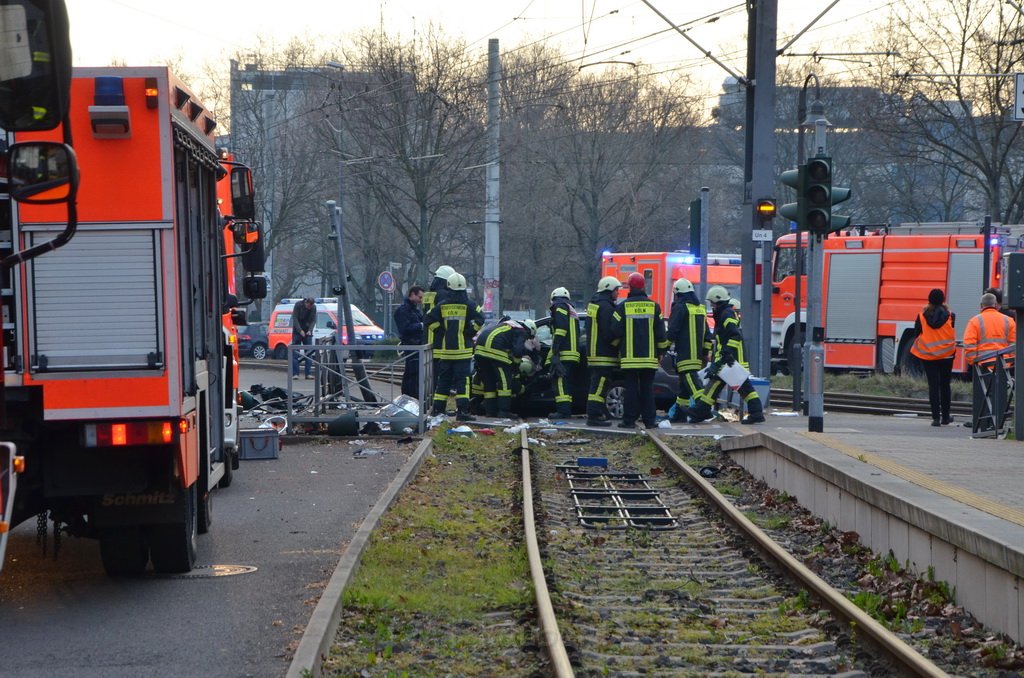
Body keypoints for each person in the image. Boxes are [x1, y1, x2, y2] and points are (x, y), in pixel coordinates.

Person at [685, 286, 765, 425]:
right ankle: (700, 411)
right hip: (728, 358)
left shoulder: (726, 314)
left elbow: (735, 335)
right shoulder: (725, 313)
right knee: (717, 384)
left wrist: (727, 353)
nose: (712, 306)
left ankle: (756, 413)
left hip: (730, 359)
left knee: (741, 387)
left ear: (718, 301)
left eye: (712, 303)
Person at [610, 272, 669, 429]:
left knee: (631, 389)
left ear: (629, 287)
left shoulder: (622, 307)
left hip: (629, 359)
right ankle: (649, 421)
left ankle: (629, 420)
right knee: (647, 389)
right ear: (643, 287)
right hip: (649, 358)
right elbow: (661, 334)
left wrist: (617, 346)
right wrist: (661, 352)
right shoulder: (654, 306)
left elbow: (614, 330)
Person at [424, 272, 484, 421]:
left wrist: (442, 331)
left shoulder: (442, 305)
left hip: (446, 352)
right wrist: (470, 332)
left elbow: (428, 319)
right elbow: (480, 319)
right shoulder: (470, 305)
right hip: (463, 352)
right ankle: (462, 412)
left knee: (443, 382)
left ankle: (438, 410)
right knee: (462, 383)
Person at [666, 278, 710, 423]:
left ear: (678, 294)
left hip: (685, 355)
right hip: (697, 356)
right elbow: (707, 335)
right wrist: (705, 353)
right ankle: (680, 413)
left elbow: (672, 331)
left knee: (693, 385)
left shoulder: (680, 308)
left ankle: (703, 410)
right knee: (684, 389)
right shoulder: (700, 308)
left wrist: (661, 349)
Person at [910, 288, 956, 426]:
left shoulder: (922, 315)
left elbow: (916, 332)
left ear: (929, 299)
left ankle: (935, 418)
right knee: (945, 385)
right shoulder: (951, 315)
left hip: (928, 355)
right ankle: (946, 417)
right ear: (943, 300)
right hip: (947, 355)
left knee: (933, 385)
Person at [474, 318, 536, 418]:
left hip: (480, 349)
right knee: (505, 381)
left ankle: (490, 411)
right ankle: (504, 411)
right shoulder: (522, 331)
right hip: (495, 349)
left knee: (489, 382)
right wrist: (516, 364)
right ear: (530, 330)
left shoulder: (509, 325)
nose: (527, 339)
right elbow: (518, 351)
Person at [584, 276, 622, 426]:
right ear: (609, 289)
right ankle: (594, 415)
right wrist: (619, 343)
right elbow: (608, 333)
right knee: (599, 386)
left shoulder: (595, 304)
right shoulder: (606, 307)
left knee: (597, 384)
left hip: (595, 353)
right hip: (603, 354)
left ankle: (596, 414)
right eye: (616, 290)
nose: (618, 293)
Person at [548, 286, 581, 418]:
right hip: (573, 353)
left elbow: (560, 330)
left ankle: (563, 412)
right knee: (566, 383)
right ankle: (566, 410)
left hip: (564, 352)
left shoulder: (560, 306)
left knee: (559, 381)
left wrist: (555, 350)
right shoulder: (571, 309)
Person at [964, 292, 1016, 371]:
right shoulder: (1009, 320)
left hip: (982, 365)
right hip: (1004, 364)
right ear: (995, 304)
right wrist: (1010, 361)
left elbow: (969, 344)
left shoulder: (974, 321)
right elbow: (1014, 344)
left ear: (981, 305)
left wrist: (974, 362)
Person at [393, 286, 425, 398]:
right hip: (411, 344)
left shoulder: (413, 310)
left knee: (412, 372)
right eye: (419, 297)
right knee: (413, 373)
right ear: (412, 294)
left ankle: (410, 396)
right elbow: (404, 328)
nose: (421, 300)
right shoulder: (404, 310)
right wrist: (421, 326)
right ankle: (411, 396)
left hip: (416, 345)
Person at [291, 297, 316, 379]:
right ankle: (295, 374)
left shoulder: (313, 307)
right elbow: (295, 318)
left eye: (310, 307)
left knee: (308, 353)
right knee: (295, 353)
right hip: (297, 331)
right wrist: (300, 330)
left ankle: (308, 373)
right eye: (308, 306)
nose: (309, 308)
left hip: (307, 331)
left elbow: (313, 320)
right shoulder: (298, 305)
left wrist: (310, 330)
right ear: (306, 302)